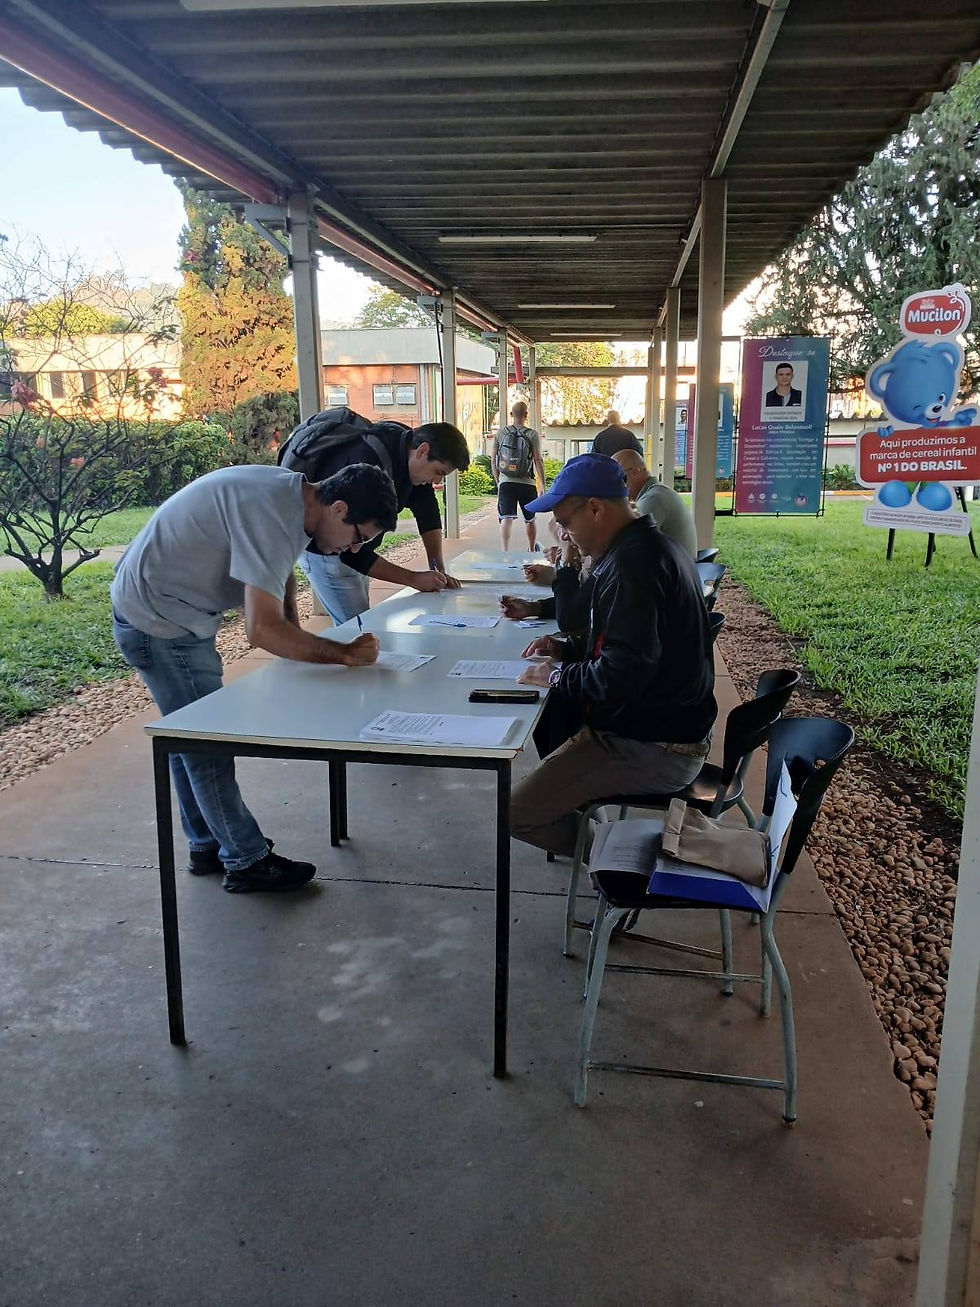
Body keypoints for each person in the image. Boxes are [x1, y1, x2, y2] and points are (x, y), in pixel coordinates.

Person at [111, 462, 398, 894]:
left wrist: (297, 635)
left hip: (158, 605)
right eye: (358, 537)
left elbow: (275, 570)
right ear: (339, 509)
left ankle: (207, 842)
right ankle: (245, 859)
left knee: (187, 737)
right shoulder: (274, 515)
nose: (350, 549)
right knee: (205, 743)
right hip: (160, 620)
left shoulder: (290, 496)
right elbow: (261, 630)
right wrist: (343, 655)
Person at [509, 453, 717, 859]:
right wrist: (568, 651)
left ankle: (625, 864)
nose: (566, 536)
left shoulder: (633, 566)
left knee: (515, 813)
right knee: (551, 731)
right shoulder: (649, 546)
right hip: (665, 728)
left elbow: (619, 677)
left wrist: (554, 676)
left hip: (654, 746)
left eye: (566, 523)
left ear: (596, 509)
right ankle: (610, 847)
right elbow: (632, 648)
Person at [290, 419, 470, 625]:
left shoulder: (406, 450)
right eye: (438, 472)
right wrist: (413, 579)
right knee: (357, 630)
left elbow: (426, 509)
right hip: (328, 550)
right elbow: (352, 555)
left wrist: (437, 569)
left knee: (363, 625)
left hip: (354, 545)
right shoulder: (366, 464)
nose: (437, 481)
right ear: (422, 450)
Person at [611, 448, 698, 558]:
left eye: (618, 477)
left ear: (635, 472)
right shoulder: (658, 492)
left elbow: (626, 542)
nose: (614, 485)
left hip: (673, 572)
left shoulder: (654, 498)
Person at [493, 400, 547, 550]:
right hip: (527, 484)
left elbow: (493, 461)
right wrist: (542, 483)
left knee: (506, 519)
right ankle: (531, 548)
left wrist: (499, 481)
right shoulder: (532, 434)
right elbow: (537, 459)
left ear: (511, 414)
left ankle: (505, 551)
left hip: (506, 482)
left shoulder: (500, 433)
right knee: (530, 519)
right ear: (526, 415)